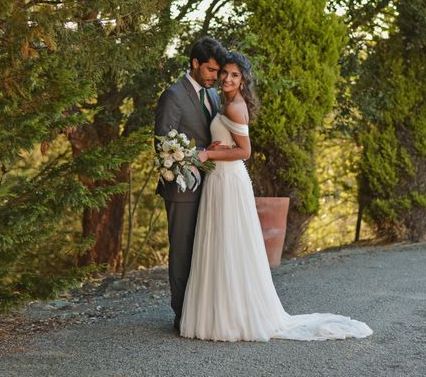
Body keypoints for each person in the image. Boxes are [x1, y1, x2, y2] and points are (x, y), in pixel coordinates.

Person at [180, 51, 373, 341]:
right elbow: (230, 143)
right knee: (218, 243)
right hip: (218, 179)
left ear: (243, 81)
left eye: (235, 75)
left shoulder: (235, 107)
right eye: (225, 73)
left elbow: (245, 152)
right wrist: (214, 147)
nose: (228, 78)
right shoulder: (224, 103)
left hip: (229, 180)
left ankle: (233, 317)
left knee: (231, 244)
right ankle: (217, 314)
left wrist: (208, 153)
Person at [154, 36, 228, 330]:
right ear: (195, 63)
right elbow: (163, 143)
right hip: (181, 189)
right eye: (210, 70)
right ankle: (182, 316)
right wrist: (196, 162)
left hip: (212, 187)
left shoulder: (212, 95)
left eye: (217, 71)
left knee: (206, 250)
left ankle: (203, 312)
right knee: (183, 250)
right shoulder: (173, 95)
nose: (215, 76)